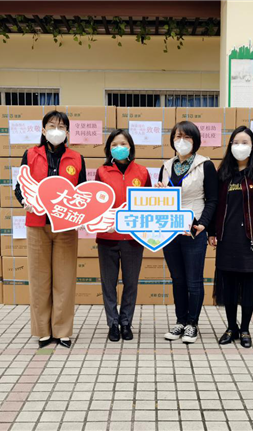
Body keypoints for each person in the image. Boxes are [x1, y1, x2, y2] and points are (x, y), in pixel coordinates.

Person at [15, 110, 86, 349]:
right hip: (37, 225)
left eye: (62, 126)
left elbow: (82, 191)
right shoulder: (30, 155)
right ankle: (43, 331)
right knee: (39, 279)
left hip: (66, 227)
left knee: (65, 280)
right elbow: (20, 187)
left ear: (67, 132)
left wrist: (83, 213)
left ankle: (63, 331)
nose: (57, 130)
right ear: (43, 130)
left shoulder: (76, 158)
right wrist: (24, 202)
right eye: (52, 125)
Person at [208, 126, 253, 348]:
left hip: (252, 240)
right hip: (227, 239)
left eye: (245, 142)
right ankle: (231, 327)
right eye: (236, 142)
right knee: (228, 285)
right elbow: (214, 205)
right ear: (230, 145)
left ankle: (245, 329)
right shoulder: (223, 174)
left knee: (249, 286)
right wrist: (212, 232)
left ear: (252, 146)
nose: (240, 146)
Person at [157, 121, 218, 344]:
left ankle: (192, 324)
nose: (181, 141)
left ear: (196, 141)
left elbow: (212, 199)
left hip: (194, 230)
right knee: (178, 279)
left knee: (194, 280)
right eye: (177, 136)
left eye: (187, 137)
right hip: (170, 230)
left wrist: (204, 224)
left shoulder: (205, 165)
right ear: (172, 140)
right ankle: (180, 321)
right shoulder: (166, 166)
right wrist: (159, 193)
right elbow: (161, 199)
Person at [95, 129, 151, 342]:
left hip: (134, 238)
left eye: (123, 144)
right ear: (109, 149)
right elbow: (95, 203)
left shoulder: (142, 172)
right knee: (108, 283)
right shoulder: (102, 172)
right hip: (107, 237)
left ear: (130, 147)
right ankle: (113, 323)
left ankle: (126, 322)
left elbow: (149, 204)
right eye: (114, 145)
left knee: (131, 282)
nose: (119, 148)